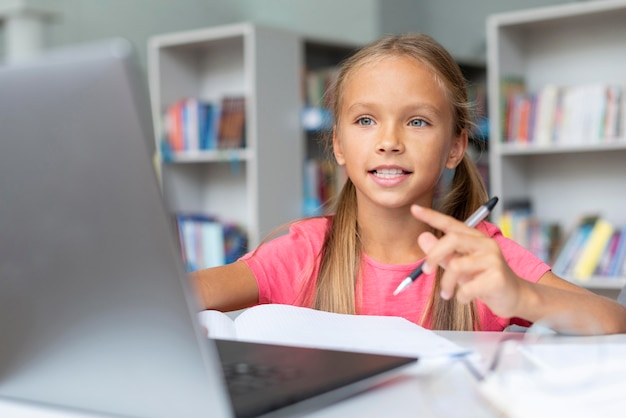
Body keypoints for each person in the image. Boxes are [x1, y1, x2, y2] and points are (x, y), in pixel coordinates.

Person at [191, 32, 626, 334]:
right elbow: (180, 297)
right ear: (339, 145)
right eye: (366, 120)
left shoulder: (482, 258)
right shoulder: (303, 253)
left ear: (455, 147)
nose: (389, 142)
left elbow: (614, 322)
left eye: (417, 121)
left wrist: (520, 297)